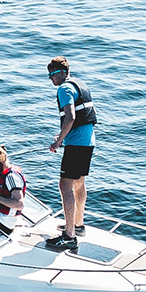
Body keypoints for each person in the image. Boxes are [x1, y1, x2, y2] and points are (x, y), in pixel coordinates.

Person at [45, 56, 97, 251]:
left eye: (53, 74)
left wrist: (58, 142)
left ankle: (68, 235)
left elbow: (71, 116)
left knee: (65, 184)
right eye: (49, 75)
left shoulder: (64, 88)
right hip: (88, 141)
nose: (51, 79)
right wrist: (64, 134)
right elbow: (80, 118)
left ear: (63, 73)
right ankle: (78, 225)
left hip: (75, 145)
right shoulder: (79, 84)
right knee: (79, 182)